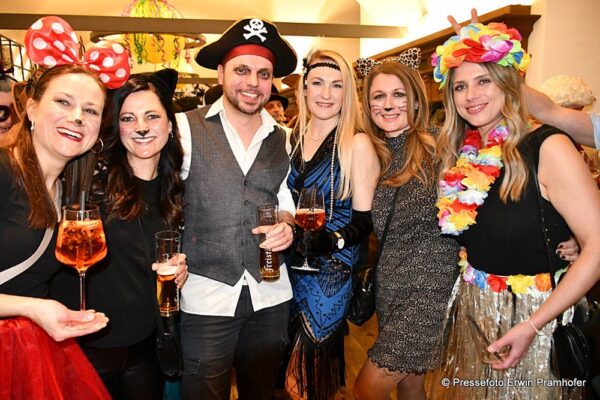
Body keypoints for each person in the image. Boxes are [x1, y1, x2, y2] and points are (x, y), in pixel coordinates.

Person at [428, 21, 600, 399]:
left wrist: (532, 326)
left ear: (509, 84)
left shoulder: (548, 147)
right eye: (460, 86)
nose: (471, 95)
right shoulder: (463, 156)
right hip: (477, 312)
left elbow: (597, 248)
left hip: (537, 318)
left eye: (484, 81)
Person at [0, 15, 130, 399]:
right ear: (32, 108)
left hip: (26, 348)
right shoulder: (4, 171)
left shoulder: (66, 191)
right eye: (63, 102)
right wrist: (34, 308)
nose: (77, 117)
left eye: (91, 110)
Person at [176, 17, 297, 400]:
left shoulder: (284, 137)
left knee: (260, 392)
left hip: (271, 295)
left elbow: (285, 200)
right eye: (242, 70)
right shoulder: (183, 128)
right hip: (205, 294)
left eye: (264, 74)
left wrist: (287, 225)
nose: (253, 83)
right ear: (220, 73)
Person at [50, 69, 188, 400]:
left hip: (146, 345)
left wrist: (181, 269)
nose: (141, 127)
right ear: (117, 126)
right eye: (128, 118)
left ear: (170, 125)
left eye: (152, 116)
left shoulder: (175, 190)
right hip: (87, 346)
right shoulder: (87, 182)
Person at [352, 51, 459, 400]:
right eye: (378, 96)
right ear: (367, 105)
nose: (388, 104)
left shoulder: (443, 146)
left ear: (415, 99)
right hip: (391, 284)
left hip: (430, 288)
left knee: (367, 388)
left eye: (398, 94)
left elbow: (490, 193)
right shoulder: (373, 152)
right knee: (410, 385)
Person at [284, 49, 380, 400]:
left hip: (332, 271)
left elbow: (365, 220)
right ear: (304, 88)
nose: (326, 94)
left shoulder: (356, 143)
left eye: (337, 85)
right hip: (289, 266)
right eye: (318, 83)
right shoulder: (291, 137)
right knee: (290, 365)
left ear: (347, 92)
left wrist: (332, 241)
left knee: (304, 374)